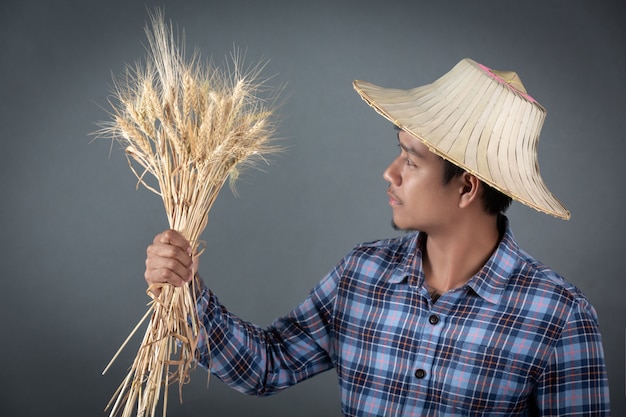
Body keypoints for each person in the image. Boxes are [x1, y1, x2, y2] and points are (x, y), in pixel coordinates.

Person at [144, 58, 610, 415]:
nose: (389, 173)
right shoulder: (363, 272)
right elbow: (269, 365)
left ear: (467, 186)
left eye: (411, 159)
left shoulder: (559, 318)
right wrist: (187, 290)